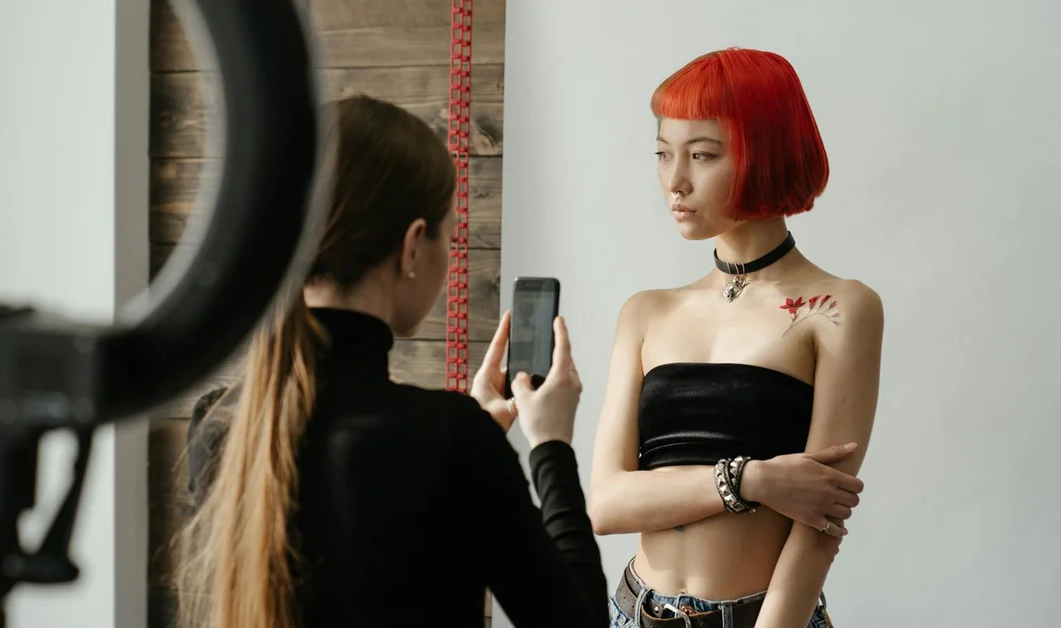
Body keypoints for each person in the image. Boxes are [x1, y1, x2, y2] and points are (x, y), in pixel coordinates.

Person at [174, 95, 608, 628]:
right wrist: (551, 447)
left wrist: (470, 444)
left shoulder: (218, 423)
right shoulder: (454, 440)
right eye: (450, 235)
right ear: (412, 247)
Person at [589, 48, 884, 628]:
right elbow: (605, 504)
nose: (675, 181)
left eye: (701, 155)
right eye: (663, 154)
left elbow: (819, 525)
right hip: (630, 612)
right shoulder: (645, 313)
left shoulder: (840, 308)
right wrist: (751, 479)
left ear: (763, 155)